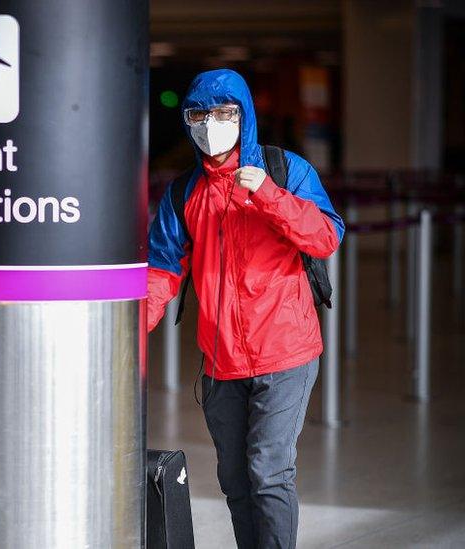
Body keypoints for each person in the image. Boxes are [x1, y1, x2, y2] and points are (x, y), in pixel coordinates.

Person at [146, 69, 345, 549]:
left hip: (286, 352)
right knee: (236, 481)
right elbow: (160, 272)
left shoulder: (285, 170)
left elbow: (326, 236)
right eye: (198, 114)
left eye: (224, 112)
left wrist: (269, 197)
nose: (210, 123)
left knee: (269, 470)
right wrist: (124, 336)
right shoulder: (184, 193)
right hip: (222, 362)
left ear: (244, 116)